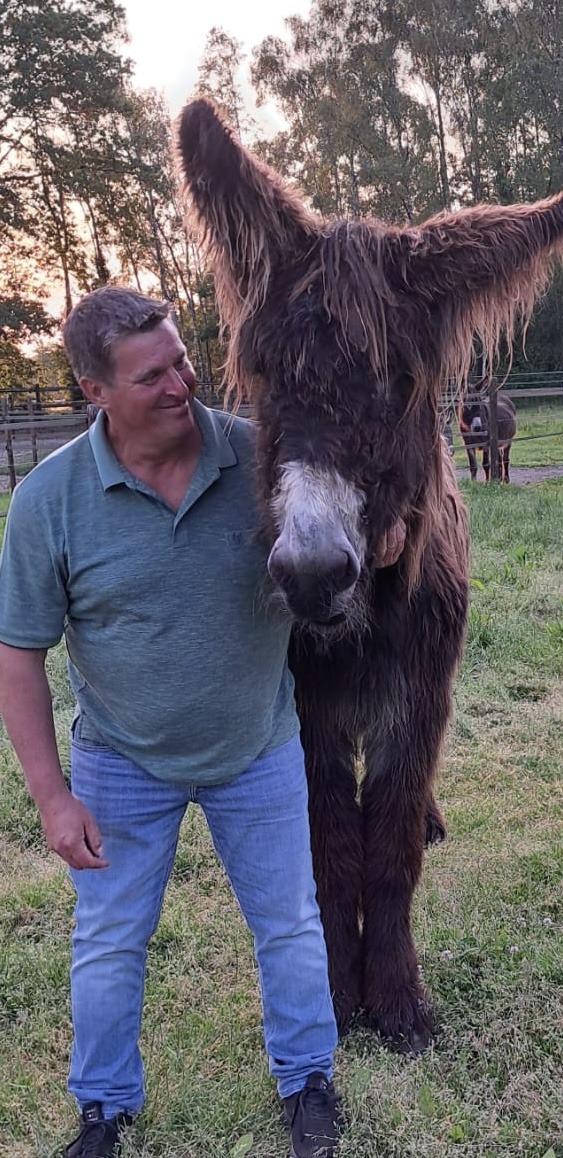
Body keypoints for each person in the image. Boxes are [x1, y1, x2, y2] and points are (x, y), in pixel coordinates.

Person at [0, 287, 403, 1158]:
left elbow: (359, 522)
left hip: (256, 750)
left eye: (182, 360)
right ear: (92, 390)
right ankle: (103, 1107)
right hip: (121, 761)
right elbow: (18, 655)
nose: (182, 383)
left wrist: (389, 531)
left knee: (289, 924)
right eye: (152, 376)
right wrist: (51, 797)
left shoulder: (257, 462)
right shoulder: (49, 503)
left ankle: (308, 1084)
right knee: (109, 942)